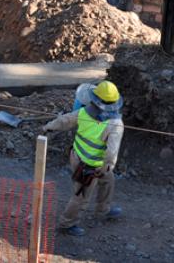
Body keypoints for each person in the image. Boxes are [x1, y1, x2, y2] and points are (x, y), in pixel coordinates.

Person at [41, 81, 125, 236]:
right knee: (81, 196)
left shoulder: (84, 112)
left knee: (108, 180)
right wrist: (107, 166)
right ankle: (66, 224)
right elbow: (112, 152)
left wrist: (49, 126)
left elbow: (64, 121)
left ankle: (103, 210)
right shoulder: (115, 124)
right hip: (90, 167)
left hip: (78, 158)